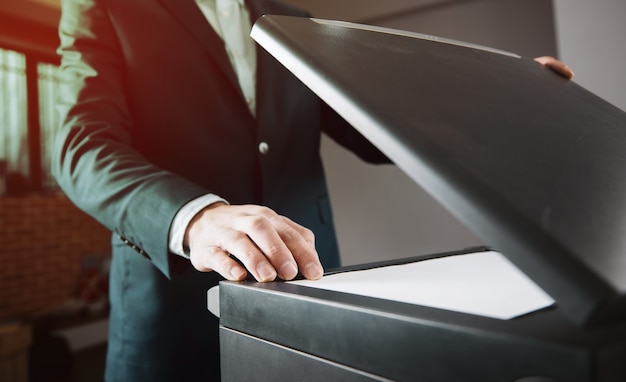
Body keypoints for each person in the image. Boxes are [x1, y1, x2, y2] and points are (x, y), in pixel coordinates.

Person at [51, 0, 573, 380]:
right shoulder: (106, 7)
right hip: (172, 314)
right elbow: (81, 146)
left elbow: (376, 128)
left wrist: (499, 102)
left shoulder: (294, 22)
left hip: (308, 297)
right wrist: (197, 218)